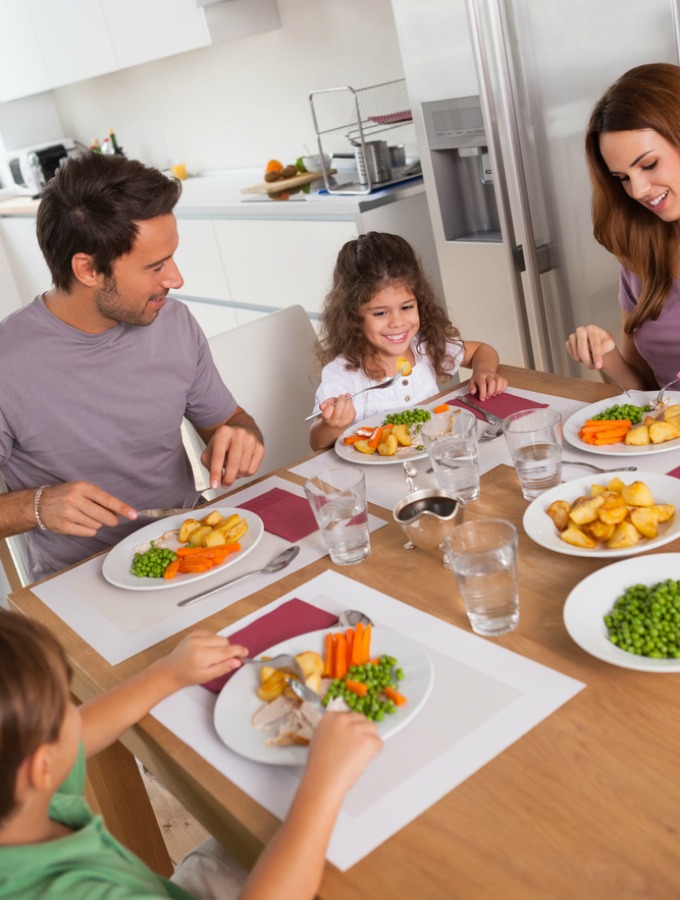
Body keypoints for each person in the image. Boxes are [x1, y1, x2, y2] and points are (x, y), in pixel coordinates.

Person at [0, 152, 264, 582]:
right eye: (156, 266)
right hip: (78, 577)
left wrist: (240, 438)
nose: (176, 279)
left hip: (191, 549)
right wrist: (36, 507)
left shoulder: (174, 323)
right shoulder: (7, 364)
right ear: (88, 269)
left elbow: (231, 422)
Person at [0, 611, 382, 899]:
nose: (75, 713)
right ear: (41, 765)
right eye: (63, 703)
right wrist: (325, 783)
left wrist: (167, 673)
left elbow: (80, 733)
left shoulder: (22, 794)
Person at [309, 231, 508, 451]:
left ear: (420, 302)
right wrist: (332, 425)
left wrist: (484, 372)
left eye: (406, 307)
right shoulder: (344, 374)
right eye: (380, 313)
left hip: (437, 459)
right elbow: (316, 443)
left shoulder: (423, 346)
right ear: (353, 317)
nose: (397, 322)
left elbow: (481, 350)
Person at [565, 63, 680, 391]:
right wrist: (606, 354)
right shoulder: (640, 253)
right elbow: (644, 390)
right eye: (623, 178)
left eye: (648, 165)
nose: (638, 190)